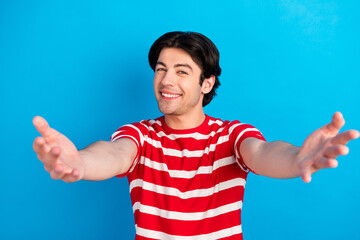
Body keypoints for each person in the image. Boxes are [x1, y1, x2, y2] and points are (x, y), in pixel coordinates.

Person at [33, 31, 359, 240]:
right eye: (161, 69)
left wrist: (297, 156)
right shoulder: (139, 135)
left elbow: (262, 152)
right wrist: (79, 161)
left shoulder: (232, 135)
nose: (165, 80)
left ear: (206, 84)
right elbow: (112, 154)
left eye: (181, 71)